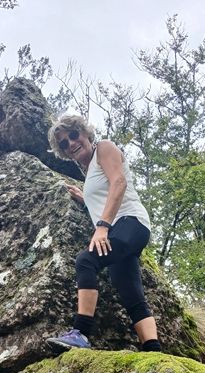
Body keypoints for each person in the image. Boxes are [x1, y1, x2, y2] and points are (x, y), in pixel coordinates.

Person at [46, 116, 162, 354]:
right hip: (122, 229)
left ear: (85, 133)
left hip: (131, 222)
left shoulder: (104, 148)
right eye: (64, 143)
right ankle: (154, 352)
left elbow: (119, 182)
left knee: (85, 261)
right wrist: (85, 199)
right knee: (132, 297)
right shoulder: (89, 171)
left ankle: (81, 334)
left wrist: (102, 226)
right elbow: (103, 194)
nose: (71, 143)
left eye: (74, 135)